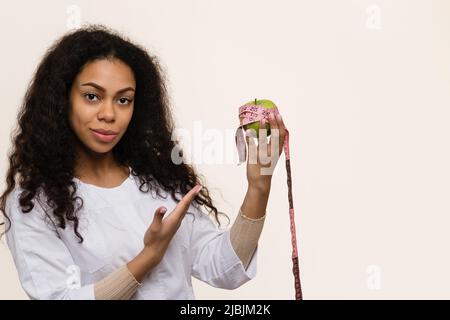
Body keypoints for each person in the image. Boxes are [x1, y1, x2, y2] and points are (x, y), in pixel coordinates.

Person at [0, 25, 287, 300]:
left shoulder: (156, 180)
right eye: (92, 96)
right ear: (63, 99)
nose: (109, 113)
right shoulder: (34, 203)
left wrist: (259, 186)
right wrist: (149, 256)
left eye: (123, 100)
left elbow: (225, 269)